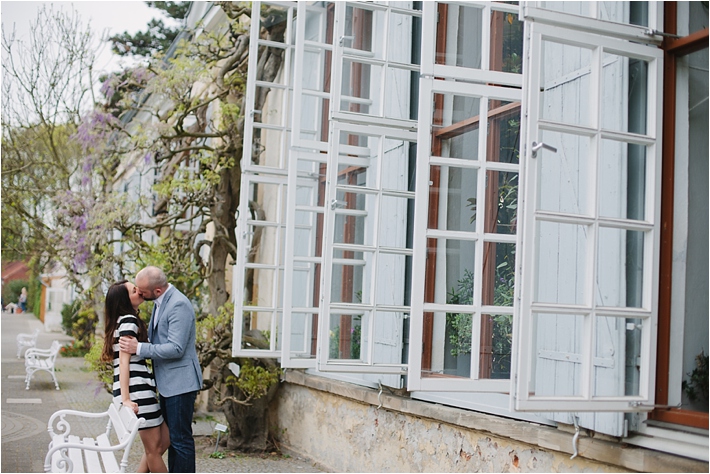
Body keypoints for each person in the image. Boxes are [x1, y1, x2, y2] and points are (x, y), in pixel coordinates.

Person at [119, 266, 203, 473]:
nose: (139, 293)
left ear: (157, 291)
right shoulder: (160, 301)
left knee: (180, 439)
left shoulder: (178, 304)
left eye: (142, 290)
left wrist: (137, 348)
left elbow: (176, 348)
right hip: (167, 384)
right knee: (173, 439)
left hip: (180, 383)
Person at [102, 280, 169, 473]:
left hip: (139, 390)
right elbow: (124, 362)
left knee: (163, 441)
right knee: (153, 450)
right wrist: (126, 399)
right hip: (137, 391)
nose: (139, 291)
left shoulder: (121, 321)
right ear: (125, 299)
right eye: (134, 290)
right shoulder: (128, 320)